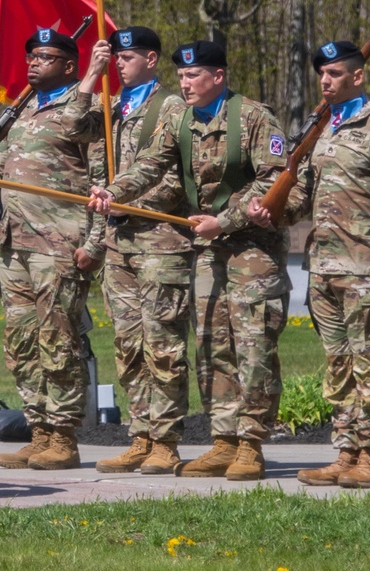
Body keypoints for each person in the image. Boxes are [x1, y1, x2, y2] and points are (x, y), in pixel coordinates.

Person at [89, 40, 291, 481]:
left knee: (252, 347)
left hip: (253, 251)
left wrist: (227, 220)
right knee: (211, 346)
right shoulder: (179, 115)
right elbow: (150, 163)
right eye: (181, 76)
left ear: (218, 77)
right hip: (206, 250)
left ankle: (251, 443)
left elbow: (276, 180)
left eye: (194, 75)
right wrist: (115, 192)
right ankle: (223, 441)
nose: (185, 83)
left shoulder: (255, 117)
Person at [249, 39, 370, 488]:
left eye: (335, 74)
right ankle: (346, 451)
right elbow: (302, 195)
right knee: (339, 365)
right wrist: (274, 210)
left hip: (368, 270)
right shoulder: (322, 130)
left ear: (357, 76)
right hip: (323, 269)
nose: (325, 82)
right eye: (321, 75)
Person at [0, 28, 104, 471]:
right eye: (30, 55)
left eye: (45, 57)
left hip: (59, 244)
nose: (33, 63)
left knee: (59, 340)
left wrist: (94, 242)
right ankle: (40, 430)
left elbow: (104, 182)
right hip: (14, 243)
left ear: (70, 66)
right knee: (22, 342)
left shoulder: (89, 112)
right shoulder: (22, 109)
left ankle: (64, 436)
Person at [74, 28, 192, 475]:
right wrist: (91, 74)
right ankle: (140, 435)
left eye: (127, 56)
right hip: (118, 240)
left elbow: (173, 174)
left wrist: (126, 201)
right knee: (128, 346)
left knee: (162, 345)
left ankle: (165, 441)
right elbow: (71, 126)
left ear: (151, 59)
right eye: (115, 57)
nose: (119, 63)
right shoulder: (113, 106)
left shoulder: (170, 106)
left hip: (160, 241)